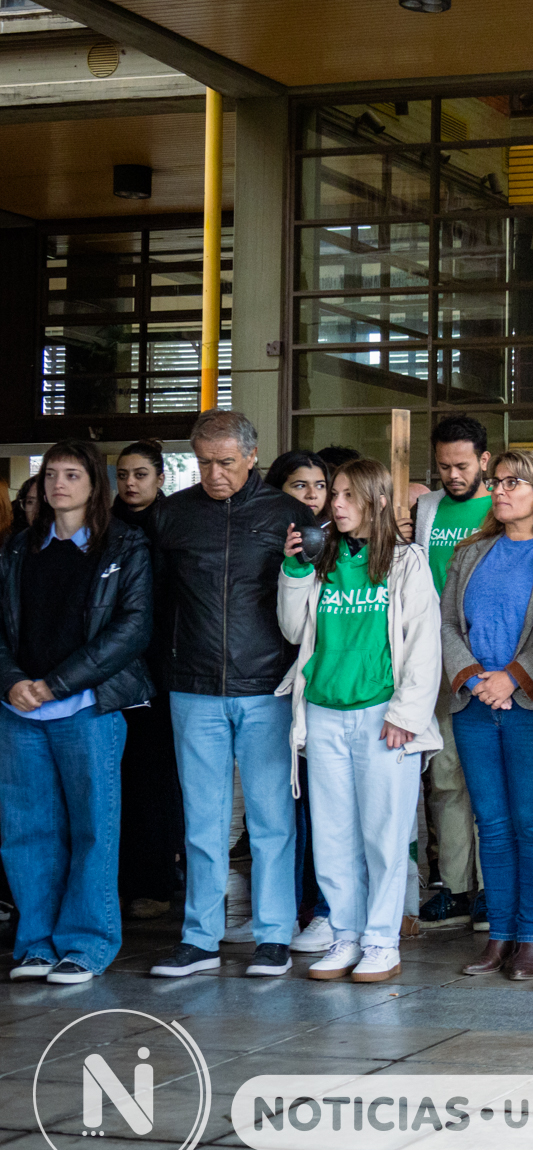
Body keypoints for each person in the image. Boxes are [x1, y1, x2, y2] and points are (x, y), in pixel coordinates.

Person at [147, 411, 314, 979]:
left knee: (272, 818)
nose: (214, 473)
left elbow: (306, 600)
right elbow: (154, 603)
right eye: (203, 462)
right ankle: (199, 938)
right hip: (192, 684)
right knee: (202, 820)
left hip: (267, 683)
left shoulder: (288, 514)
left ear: (251, 456)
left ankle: (273, 935)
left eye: (225, 462)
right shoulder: (170, 515)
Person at [278, 460, 441, 983]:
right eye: (335, 495)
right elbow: (292, 628)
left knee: (385, 835)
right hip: (324, 711)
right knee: (332, 834)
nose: (335, 504)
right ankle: (345, 935)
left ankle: (380, 941)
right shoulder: (323, 560)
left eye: (347, 495)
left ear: (373, 499)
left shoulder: (406, 561)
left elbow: (423, 644)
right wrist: (295, 571)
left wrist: (407, 715)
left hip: (382, 715)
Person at [0, 442, 153, 984]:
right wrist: (13, 681)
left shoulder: (124, 545)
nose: (58, 484)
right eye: (51, 475)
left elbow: (133, 628)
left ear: (94, 485)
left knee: (93, 829)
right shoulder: (19, 549)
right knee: (27, 832)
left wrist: (57, 684)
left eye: (72, 475)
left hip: (86, 707)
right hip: (20, 713)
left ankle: (86, 945)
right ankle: (36, 944)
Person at [442, 450, 533, 982]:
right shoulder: (469, 553)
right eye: (496, 482)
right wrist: (475, 678)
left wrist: (514, 676)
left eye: (512, 482)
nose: (499, 490)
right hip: (474, 704)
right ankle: (498, 935)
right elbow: (446, 625)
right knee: (491, 825)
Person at [411, 415, 493, 930]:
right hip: (433, 660)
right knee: (445, 779)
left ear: (485, 460)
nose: (453, 475)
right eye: (443, 466)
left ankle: (492, 887)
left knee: (487, 777)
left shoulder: (503, 505)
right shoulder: (427, 508)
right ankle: (458, 887)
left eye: (462, 465)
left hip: (488, 663)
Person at [263, 450, 336, 954]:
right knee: (280, 806)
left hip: (323, 690)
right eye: (299, 486)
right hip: (269, 683)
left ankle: (324, 909)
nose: (312, 495)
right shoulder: (262, 536)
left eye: (319, 486)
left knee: (320, 807)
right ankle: (283, 909)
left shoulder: (341, 545)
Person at [109, 440, 180, 922]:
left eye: (140, 475)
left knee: (157, 777)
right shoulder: (101, 525)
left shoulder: (174, 523)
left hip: (163, 666)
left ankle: (158, 877)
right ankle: (120, 877)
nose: (131, 483)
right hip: (111, 667)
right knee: (118, 776)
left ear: (159, 478)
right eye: (123, 475)